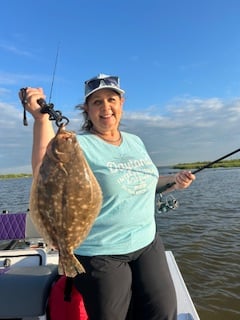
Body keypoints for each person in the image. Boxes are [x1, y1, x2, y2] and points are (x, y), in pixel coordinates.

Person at [19, 74, 195, 320]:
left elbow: (143, 181)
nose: (105, 107)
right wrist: (41, 120)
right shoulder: (79, 144)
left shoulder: (135, 141)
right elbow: (43, 173)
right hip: (100, 252)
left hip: (147, 242)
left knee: (162, 313)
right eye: (97, 102)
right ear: (87, 110)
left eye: (111, 99)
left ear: (121, 103)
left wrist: (174, 182)